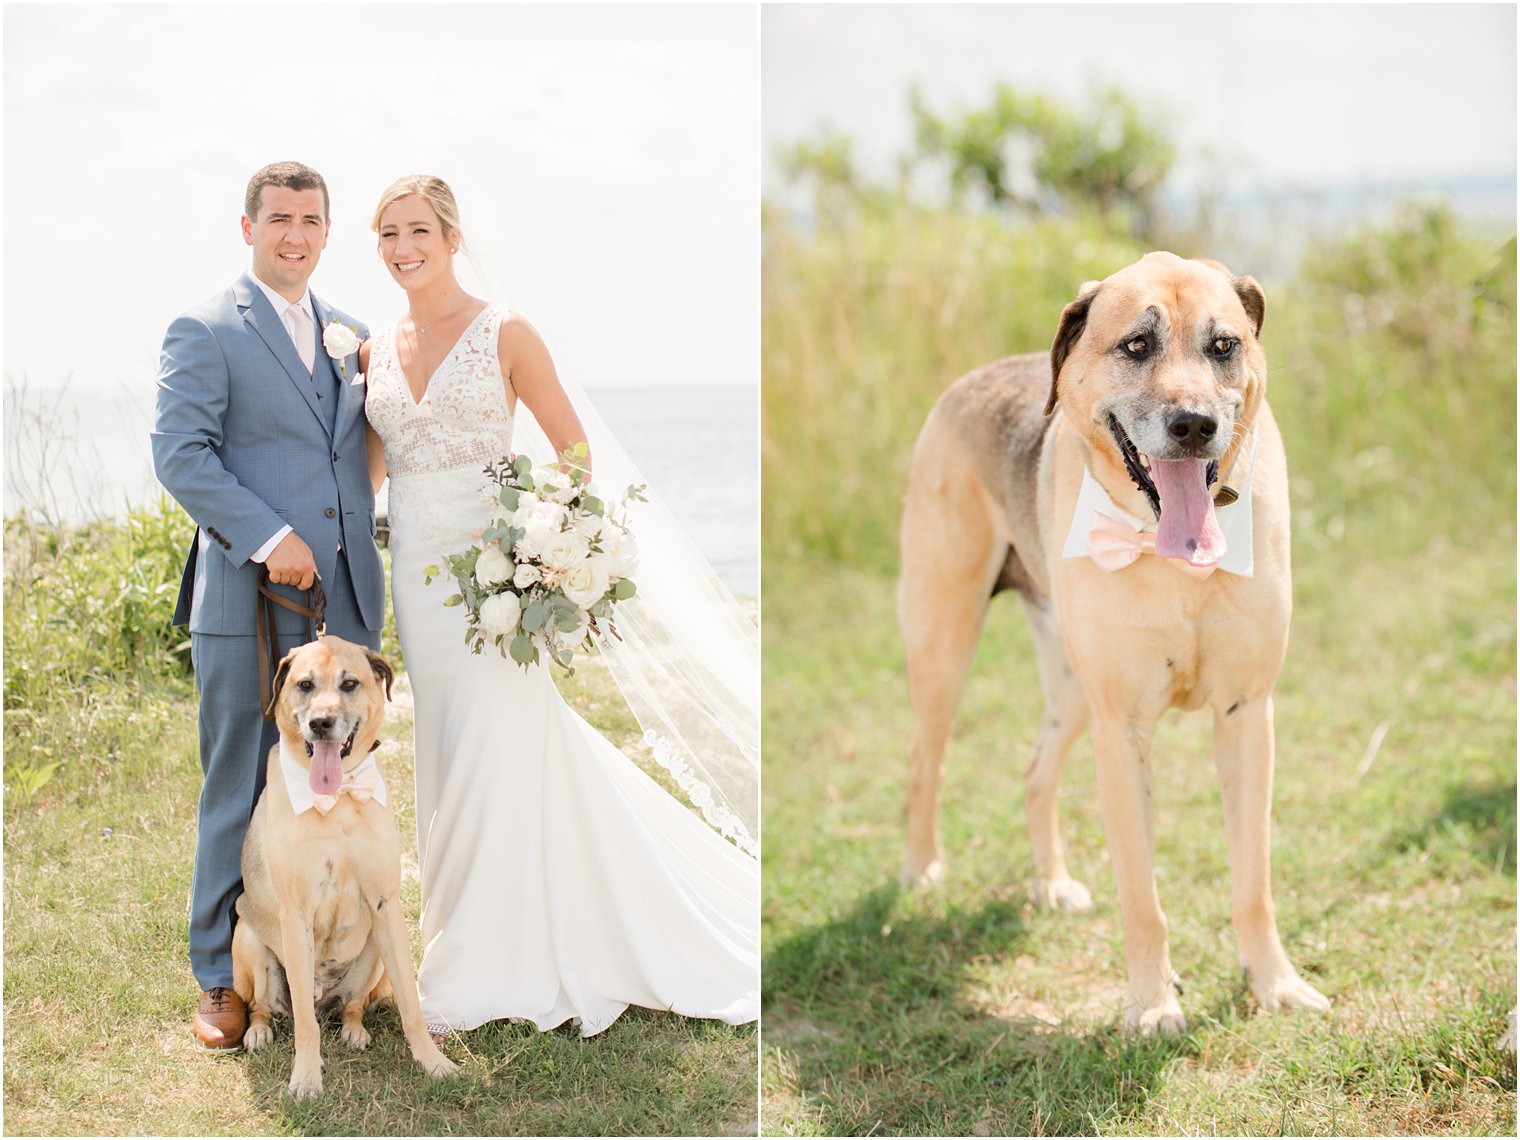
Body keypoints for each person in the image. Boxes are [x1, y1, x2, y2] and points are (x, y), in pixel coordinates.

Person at [360, 175, 758, 1039]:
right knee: (448, 745)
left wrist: (537, 550)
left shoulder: (505, 329)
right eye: (387, 234)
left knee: (503, 741)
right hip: (418, 581)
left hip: (494, 579)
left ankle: (494, 955)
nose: (403, 247)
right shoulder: (372, 351)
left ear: (452, 235)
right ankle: (458, 931)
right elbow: (369, 474)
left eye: (418, 229)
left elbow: (573, 452)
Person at [152, 162, 385, 1050]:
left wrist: (346, 530)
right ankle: (221, 973)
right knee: (241, 786)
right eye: (279, 217)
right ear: (247, 226)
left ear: (328, 231)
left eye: (311, 219)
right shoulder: (206, 328)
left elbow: (357, 451)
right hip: (247, 603)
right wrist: (269, 537)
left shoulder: (350, 331)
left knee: (339, 785)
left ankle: (332, 963)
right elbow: (181, 454)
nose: (296, 233)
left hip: (343, 603)